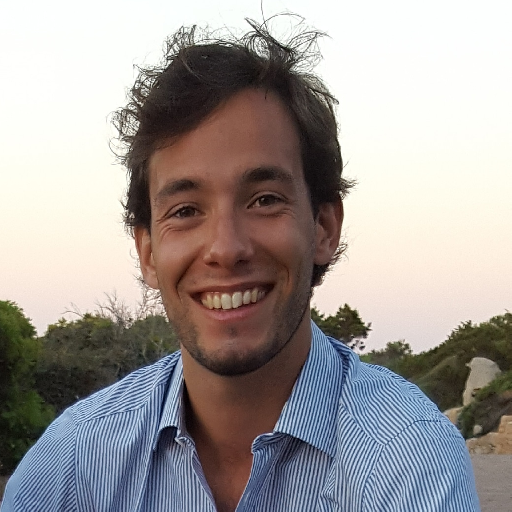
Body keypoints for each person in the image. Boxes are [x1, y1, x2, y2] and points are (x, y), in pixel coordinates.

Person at [2, 21, 480, 511]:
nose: (225, 248)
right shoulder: (73, 464)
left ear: (323, 228)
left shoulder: (406, 461)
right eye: (185, 211)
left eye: (264, 200)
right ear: (147, 253)